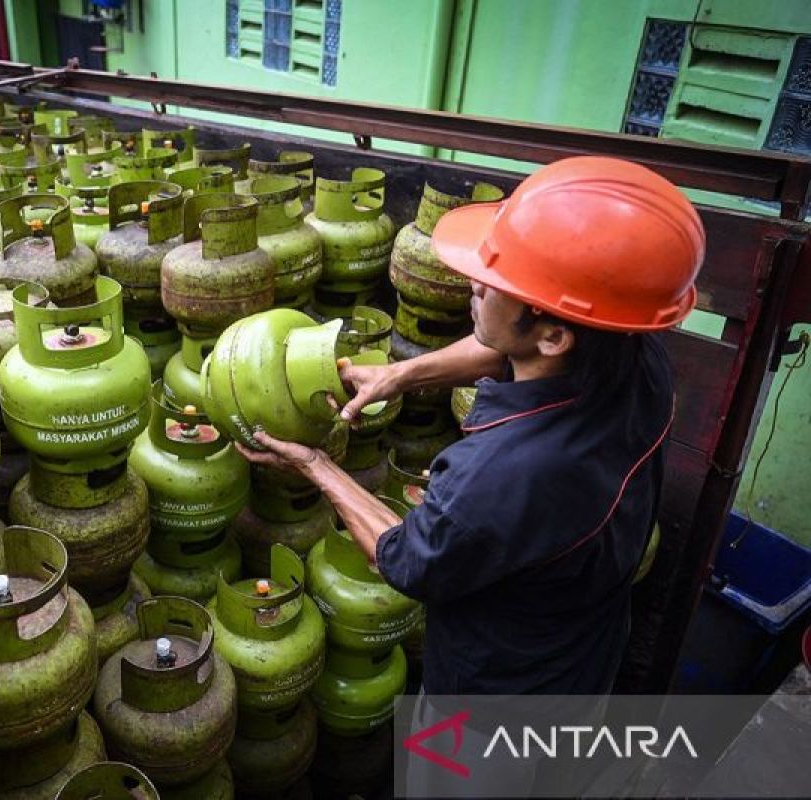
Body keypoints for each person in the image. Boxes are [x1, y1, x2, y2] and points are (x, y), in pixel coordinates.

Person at [237, 156, 704, 736]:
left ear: (556, 333)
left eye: (498, 284)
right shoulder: (638, 357)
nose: (475, 282)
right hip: (587, 646)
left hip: (498, 700)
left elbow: (403, 558)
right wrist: (401, 375)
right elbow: (515, 348)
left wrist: (317, 465)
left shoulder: (499, 475)